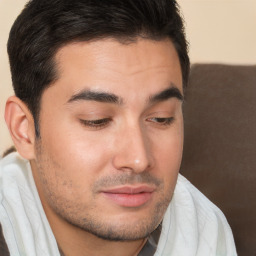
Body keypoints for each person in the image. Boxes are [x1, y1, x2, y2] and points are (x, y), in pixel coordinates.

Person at [0, 0, 237, 255]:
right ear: (24, 130)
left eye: (161, 118)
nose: (138, 159)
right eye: (97, 120)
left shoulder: (204, 233)